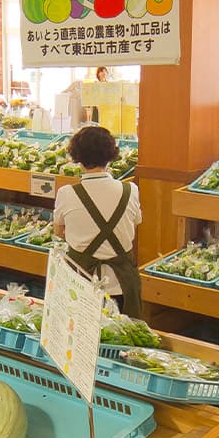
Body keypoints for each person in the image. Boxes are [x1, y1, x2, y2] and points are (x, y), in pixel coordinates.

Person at [52, 125, 143, 315]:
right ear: (111, 155)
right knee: (122, 338)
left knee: (80, 340)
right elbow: (134, 223)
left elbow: (58, 232)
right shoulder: (130, 190)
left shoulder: (66, 194)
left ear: (76, 156)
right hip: (122, 285)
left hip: (80, 284)